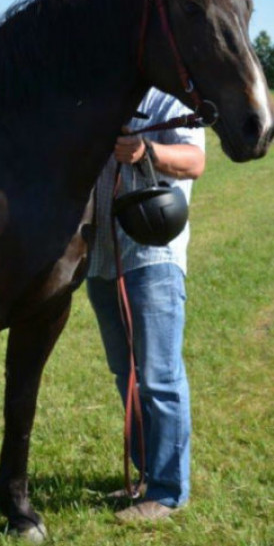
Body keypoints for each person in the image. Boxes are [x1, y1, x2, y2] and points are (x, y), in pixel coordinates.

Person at [85, 87, 206, 522]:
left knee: (158, 376)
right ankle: (146, 476)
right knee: (127, 374)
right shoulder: (97, 92)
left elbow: (195, 162)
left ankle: (169, 491)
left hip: (153, 258)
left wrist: (146, 150)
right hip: (100, 258)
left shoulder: (171, 100)